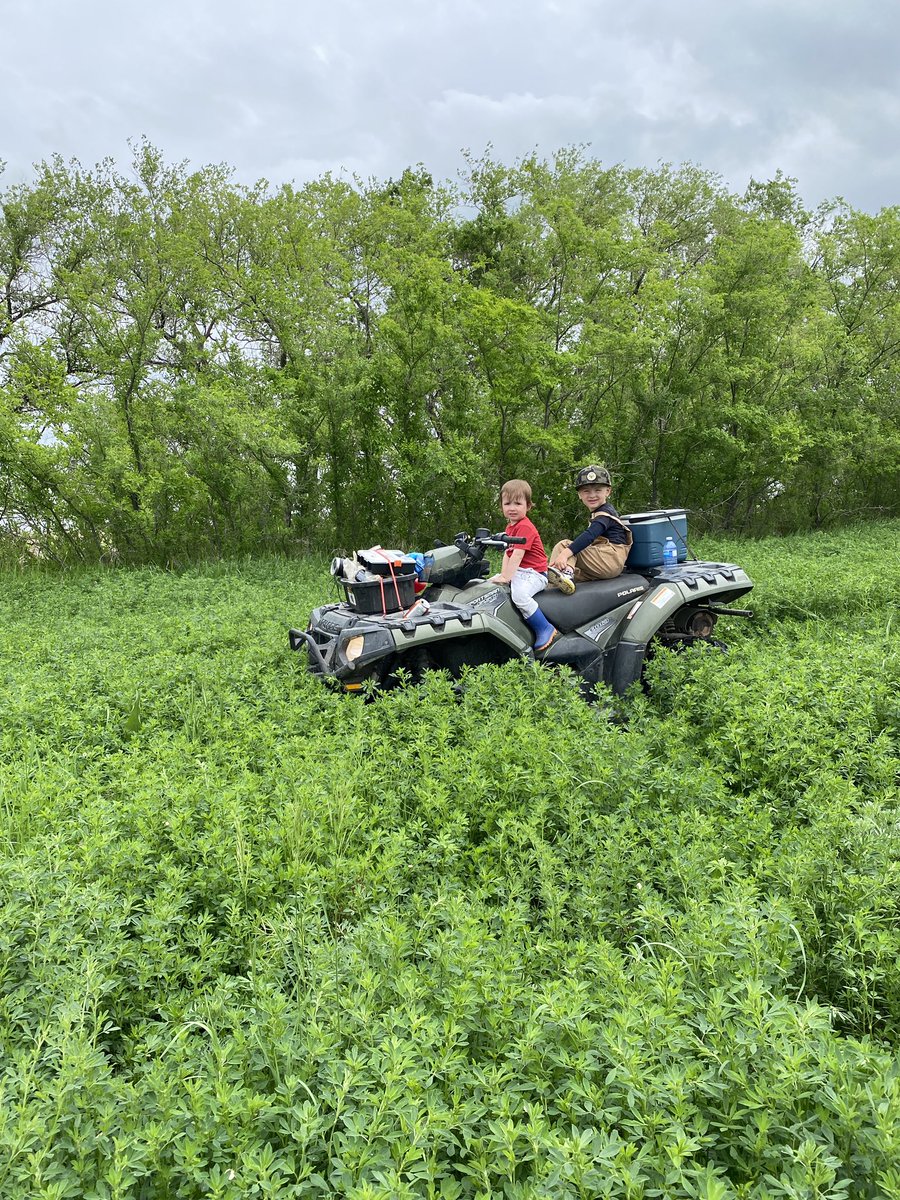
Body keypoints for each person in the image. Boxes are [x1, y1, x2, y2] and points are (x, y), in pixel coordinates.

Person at [490, 479, 559, 652]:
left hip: (535, 573)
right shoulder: (510, 527)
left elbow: (518, 555)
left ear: (528, 506)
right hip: (522, 571)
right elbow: (508, 553)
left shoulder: (525, 527)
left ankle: (544, 627)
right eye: (507, 503)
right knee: (490, 585)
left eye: (518, 503)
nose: (512, 508)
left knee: (519, 596)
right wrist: (503, 575)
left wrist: (507, 577)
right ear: (501, 507)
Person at [546, 464, 632, 594]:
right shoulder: (599, 513)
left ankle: (563, 574)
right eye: (586, 491)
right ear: (579, 494)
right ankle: (553, 582)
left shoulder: (605, 514)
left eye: (598, 490)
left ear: (608, 491)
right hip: (604, 562)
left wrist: (565, 553)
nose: (592, 495)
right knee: (574, 570)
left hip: (611, 559)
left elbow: (589, 535)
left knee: (564, 546)